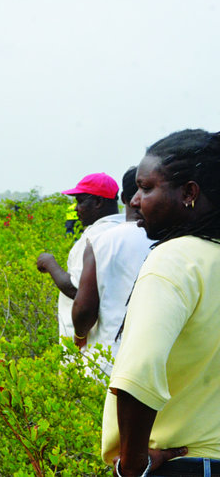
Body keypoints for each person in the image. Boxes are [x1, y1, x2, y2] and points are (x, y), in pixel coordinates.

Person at [101, 129, 220, 477]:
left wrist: (133, 464)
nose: (135, 200)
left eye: (146, 188)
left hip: (184, 463)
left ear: (189, 193)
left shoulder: (174, 259)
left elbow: (139, 373)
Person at [70, 167, 151, 376]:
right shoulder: (173, 240)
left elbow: (84, 307)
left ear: (125, 197)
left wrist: (79, 336)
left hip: (109, 359)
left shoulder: (100, 241)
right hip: (157, 361)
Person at [37, 173, 124, 343]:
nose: (76, 208)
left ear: (98, 202)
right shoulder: (128, 231)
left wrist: (49, 262)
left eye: (80, 201)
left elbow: (76, 290)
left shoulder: (92, 238)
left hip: (89, 342)